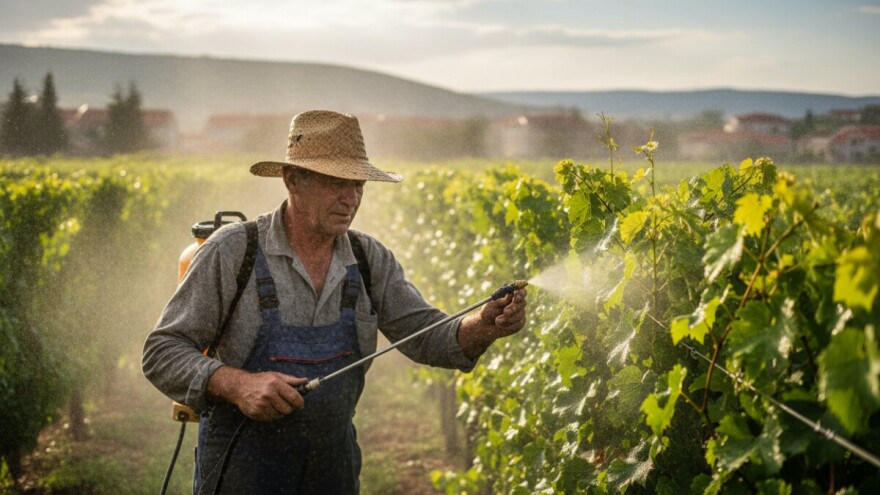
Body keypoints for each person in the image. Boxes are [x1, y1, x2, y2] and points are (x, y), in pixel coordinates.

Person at [142, 109, 527, 494]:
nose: (351, 198)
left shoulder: (368, 259)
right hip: (240, 472)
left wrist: (485, 325)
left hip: (333, 472)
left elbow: (427, 337)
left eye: (358, 184)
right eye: (337, 183)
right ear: (293, 180)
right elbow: (161, 352)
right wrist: (236, 383)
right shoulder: (232, 252)